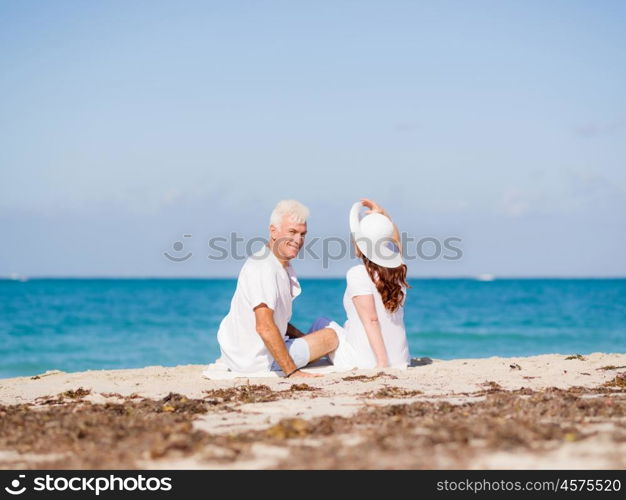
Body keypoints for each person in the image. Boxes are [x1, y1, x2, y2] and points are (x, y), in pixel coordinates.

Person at [216, 200, 339, 378]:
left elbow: (274, 319)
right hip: (254, 361)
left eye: (303, 234)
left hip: (237, 354)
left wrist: (301, 336)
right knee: (330, 336)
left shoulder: (277, 264)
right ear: (273, 231)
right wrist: (293, 372)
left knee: (319, 331)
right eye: (292, 232)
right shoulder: (264, 268)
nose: (298, 240)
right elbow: (265, 326)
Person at [329, 199, 411, 369]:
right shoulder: (399, 270)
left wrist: (382, 363)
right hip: (401, 358)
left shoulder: (358, 274)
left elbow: (371, 321)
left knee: (322, 323)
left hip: (366, 359)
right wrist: (382, 215)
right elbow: (395, 241)